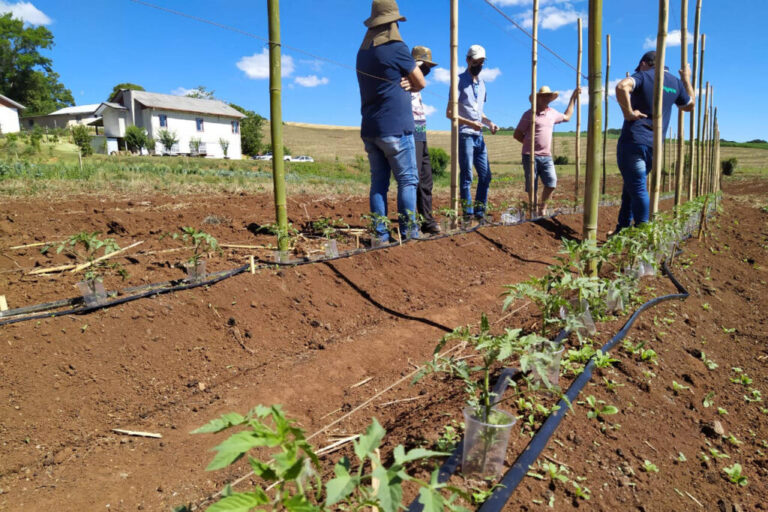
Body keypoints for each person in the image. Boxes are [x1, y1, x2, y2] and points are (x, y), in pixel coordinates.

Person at [356, 0, 425, 243]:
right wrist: (411, 81)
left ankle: (381, 235)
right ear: (392, 22)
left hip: (370, 128)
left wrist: (405, 79)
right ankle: (409, 233)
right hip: (396, 128)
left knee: (378, 184)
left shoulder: (362, 53)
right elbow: (421, 82)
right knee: (407, 180)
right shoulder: (396, 47)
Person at [613, 50, 694, 231]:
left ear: (644, 63)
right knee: (631, 187)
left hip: (634, 141)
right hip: (654, 146)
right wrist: (686, 78)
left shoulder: (643, 76)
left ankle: (642, 232)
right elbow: (689, 105)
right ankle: (622, 228)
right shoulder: (676, 83)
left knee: (638, 188)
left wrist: (628, 113)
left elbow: (621, 87)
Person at [446, 44, 499, 222]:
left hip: (479, 136)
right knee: (467, 174)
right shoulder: (459, 81)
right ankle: (468, 214)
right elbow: (450, 113)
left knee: (486, 175)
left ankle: (480, 211)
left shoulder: (482, 84)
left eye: (482, 62)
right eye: (476, 61)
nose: (479, 65)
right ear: (468, 60)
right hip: (465, 134)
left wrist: (489, 122)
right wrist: (471, 123)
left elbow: (479, 112)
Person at [514, 86, 579, 216]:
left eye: (548, 96)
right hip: (529, 155)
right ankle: (533, 210)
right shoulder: (529, 114)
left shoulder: (552, 113)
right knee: (532, 186)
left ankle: (542, 208)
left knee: (551, 183)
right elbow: (517, 134)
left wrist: (573, 98)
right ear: (537, 98)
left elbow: (567, 117)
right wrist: (530, 146)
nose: (546, 98)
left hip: (546, 156)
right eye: (543, 96)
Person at [410, 45, 441, 235]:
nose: (427, 71)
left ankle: (426, 220)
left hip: (421, 131)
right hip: (412, 131)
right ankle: (415, 222)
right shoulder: (405, 80)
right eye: (425, 67)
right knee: (415, 179)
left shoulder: (416, 84)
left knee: (426, 179)